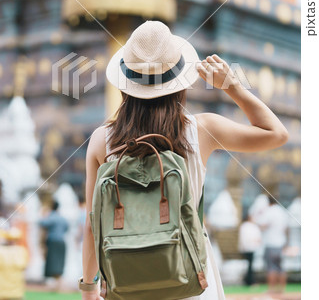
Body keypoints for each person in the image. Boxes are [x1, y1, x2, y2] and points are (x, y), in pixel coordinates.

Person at [81, 21, 288, 300]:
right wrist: (232, 86)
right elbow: (276, 134)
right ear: (179, 83)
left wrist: (88, 287)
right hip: (191, 277)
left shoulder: (101, 140)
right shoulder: (202, 130)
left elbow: (93, 224)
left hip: (127, 278)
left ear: (126, 84)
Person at [255, 195, 289, 294]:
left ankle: (271, 289)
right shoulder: (282, 211)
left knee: (271, 267)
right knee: (281, 267)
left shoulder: (269, 211)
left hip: (271, 243)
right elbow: (286, 228)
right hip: (281, 242)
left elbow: (263, 225)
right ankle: (282, 289)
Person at [39, 200, 69, 292]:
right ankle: (58, 285)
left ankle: (59, 285)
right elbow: (67, 228)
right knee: (59, 264)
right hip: (62, 242)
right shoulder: (62, 218)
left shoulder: (51, 217)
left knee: (53, 264)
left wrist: (43, 213)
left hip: (53, 242)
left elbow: (42, 223)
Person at [238, 213, 262, 286]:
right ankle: (249, 281)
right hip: (249, 248)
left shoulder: (247, 226)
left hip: (250, 248)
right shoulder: (247, 226)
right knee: (249, 265)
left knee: (250, 265)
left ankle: (249, 280)